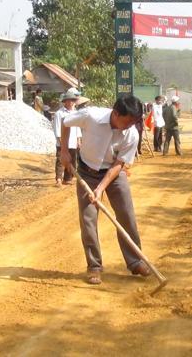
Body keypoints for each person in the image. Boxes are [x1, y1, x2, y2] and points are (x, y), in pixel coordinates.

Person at [60, 95, 150, 285]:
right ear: (116, 113)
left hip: (114, 174)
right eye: (127, 121)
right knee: (88, 219)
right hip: (86, 172)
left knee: (126, 214)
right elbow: (65, 122)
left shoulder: (132, 133)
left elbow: (120, 163)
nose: (129, 126)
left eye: (133, 122)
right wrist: (64, 151)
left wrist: (101, 188)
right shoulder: (91, 116)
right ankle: (94, 266)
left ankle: (135, 261)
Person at [53, 91, 81, 186]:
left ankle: (68, 178)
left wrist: (78, 139)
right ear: (64, 102)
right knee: (60, 160)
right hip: (62, 141)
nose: (70, 103)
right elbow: (57, 127)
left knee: (72, 160)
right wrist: (60, 140)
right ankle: (59, 179)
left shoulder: (76, 113)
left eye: (72, 101)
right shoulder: (59, 113)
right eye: (68, 101)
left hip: (73, 141)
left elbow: (78, 127)